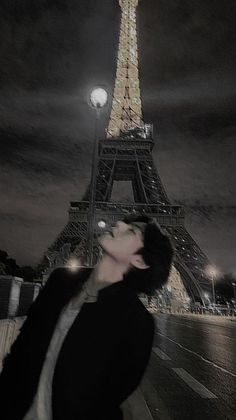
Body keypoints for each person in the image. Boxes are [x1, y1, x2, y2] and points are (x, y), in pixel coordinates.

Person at [0, 214, 173, 420]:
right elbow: (22, 347)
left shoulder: (137, 322)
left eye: (131, 230)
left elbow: (109, 398)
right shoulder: (60, 280)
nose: (117, 224)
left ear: (140, 260)